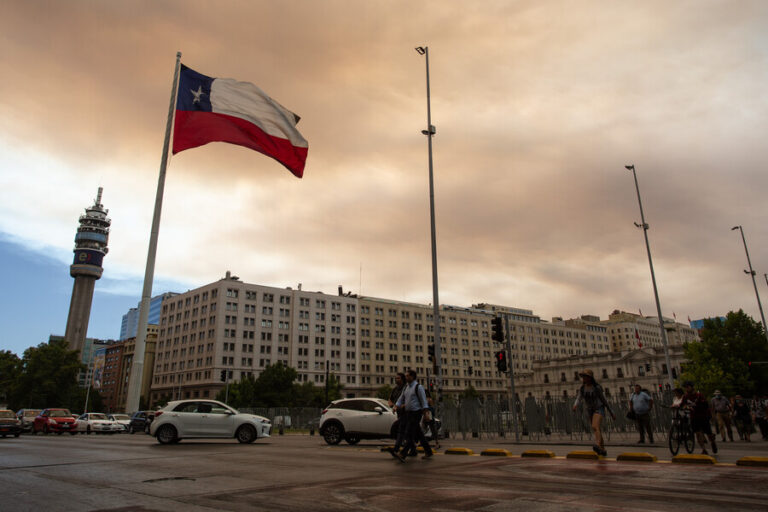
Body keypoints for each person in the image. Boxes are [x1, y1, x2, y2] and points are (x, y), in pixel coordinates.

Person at [392, 369, 433, 462]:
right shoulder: (406, 387)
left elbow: (423, 401)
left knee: (409, 433)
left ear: (412, 377)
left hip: (416, 412)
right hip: (408, 413)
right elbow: (401, 398)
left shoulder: (418, 387)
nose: (405, 377)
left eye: (407, 376)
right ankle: (428, 451)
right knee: (419, 434)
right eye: (405, 376)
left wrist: (426, 413)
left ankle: (403, 454)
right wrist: (396, 406)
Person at [572, 369, 614, 456]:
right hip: (590, 410)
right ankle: (602, 449)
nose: (584, 379)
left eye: (585, 377)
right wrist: (575, 405)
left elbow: (604, 400)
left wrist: (611, 412)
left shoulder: (597, 388)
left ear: (590, 378)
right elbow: (579, 397)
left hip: (599, 408)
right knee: (596, 428)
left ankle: (598, 445)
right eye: (583, 377)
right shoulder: (583, 388)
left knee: (595, 426)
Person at [680, 381, 717, 455]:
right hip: (694, 417)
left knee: (708, 433)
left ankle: (713, 442)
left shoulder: (699, 395)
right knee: (697, 433)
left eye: (688, 387)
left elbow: (705, 405)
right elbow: (682, 405)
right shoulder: (685, 396)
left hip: (703, 416)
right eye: (686, 387)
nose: (687, 389)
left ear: (692, 387)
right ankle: (703, 449)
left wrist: (697, 406)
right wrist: (685, 407)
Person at [386, 373, 409, 458]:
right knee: (414, 432)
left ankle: (396, 449)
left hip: (407, 412)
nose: (396, 380)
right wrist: (392, 405)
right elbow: (390, 399)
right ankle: (415, 450)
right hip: (399, 413)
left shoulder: (406, 388)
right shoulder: (395, 389)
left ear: (402, 379)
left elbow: (408, 401)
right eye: (395, 378)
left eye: (398, 378)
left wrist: (399, 406)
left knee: (401, 430)